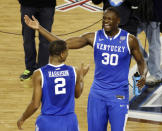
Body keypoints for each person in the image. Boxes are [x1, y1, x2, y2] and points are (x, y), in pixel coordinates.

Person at [23, 7, 147, 131]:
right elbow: (63, 44)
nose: (106, 22)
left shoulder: (129, 40)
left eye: (110, 19)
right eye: (104, 19)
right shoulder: (94, 37)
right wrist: (40, 28)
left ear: (118, 21)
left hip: (118, 94)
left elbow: (141, 62)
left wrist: (143, 76)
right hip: (97, 94)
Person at [17, 40, 89, 130]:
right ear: (62, 54)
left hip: (48, 123)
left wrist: (23, 118)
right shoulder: (74, 71)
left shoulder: (39, 74)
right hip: (69, 122)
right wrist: (81, 78)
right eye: (67, 51)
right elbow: (77, 94)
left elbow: (35, 104)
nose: (68, 54)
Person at [18, 0, 56, 81]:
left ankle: (42, 70)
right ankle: (30, 68)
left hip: (47, 5)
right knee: (28, 39)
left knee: (45, 40)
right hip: (27, 5)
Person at [130, 0, 162, 85]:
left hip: (154, 14)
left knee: (154, 43)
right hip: (136, 13)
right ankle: (143, 61)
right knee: (130, 38)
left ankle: (156, 74)